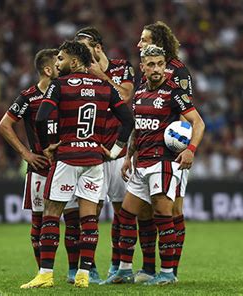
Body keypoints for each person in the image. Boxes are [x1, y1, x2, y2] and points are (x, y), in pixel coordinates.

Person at [20, 40, 134, 289]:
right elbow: (128, 120)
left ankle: (45, 274)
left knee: (51, 213)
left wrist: (50, 145)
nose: (57, 63)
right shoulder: (105, 87)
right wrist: (115, 150)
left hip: (67, 157)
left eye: (60, 58)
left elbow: (41, 117)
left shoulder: (59, 85)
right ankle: (83, 274)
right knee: (89, 218)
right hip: (94, 159)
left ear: (74, 61)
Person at [101, 45, 204, 285]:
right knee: (125, 216)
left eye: (160, 64)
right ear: (143, 67)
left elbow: (198, 123)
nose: (157, 69)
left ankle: (167, 273)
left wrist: (190, 150)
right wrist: (128, 156)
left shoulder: (174, 92)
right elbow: (137, 128)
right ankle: (125, 270)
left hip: (163, 163)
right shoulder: (138, 93)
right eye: (151, 64)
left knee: (162, 214)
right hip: (141, 163)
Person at [0, 49, 81, 281]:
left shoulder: (66, 92)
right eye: (59, 63)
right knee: (40, 221)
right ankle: (42, 272)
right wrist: (26, 153)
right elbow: (4, 125)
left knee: (73, 221)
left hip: (66, 165)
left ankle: (74, 271)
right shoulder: (29, 97)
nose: (63, 67)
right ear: (48, 70)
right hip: (40, 167)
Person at [133, 21, 196, 282]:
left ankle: (171, 271)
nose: (139, 44)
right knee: (146, 211)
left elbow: (186, 112)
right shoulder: (148, 69)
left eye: (144, 39)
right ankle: (149, 268)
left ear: (158, 41)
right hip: (148, 151)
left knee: (173, 210)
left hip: (172, 152)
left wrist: (183, 145)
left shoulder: (178, 71)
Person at [74, 26, 135, 278]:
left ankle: (118, 266)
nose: (81, 54)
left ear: (98, 47)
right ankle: (89, 268)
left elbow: (125, 97)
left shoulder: (122, 67)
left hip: (118, 152)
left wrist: (102, 76)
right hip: (95, 153)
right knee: (91, 213)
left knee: (122, 214)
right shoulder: (81, 73)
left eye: (85, 48)